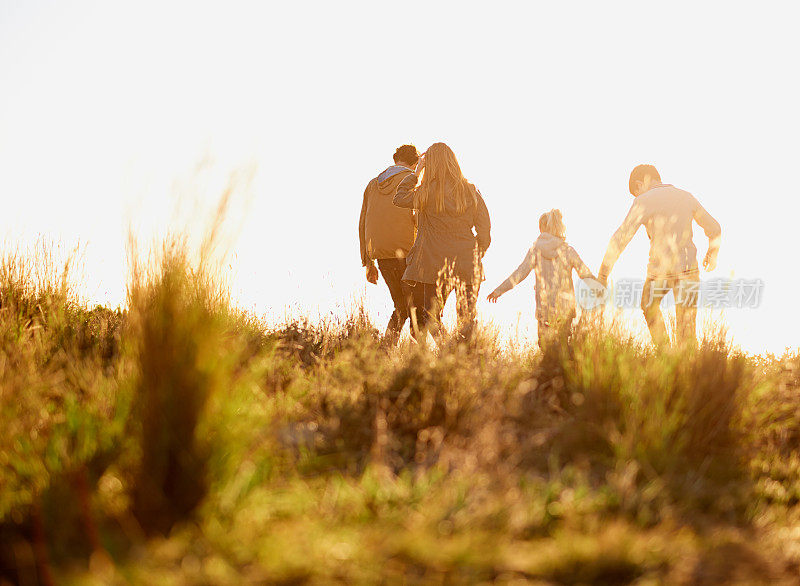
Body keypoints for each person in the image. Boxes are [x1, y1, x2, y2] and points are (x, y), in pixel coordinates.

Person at [597, 164, 722, 347]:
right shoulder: (686, 196)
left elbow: (621, 238)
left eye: (635, 192)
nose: (636, 197)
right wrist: (712, 252)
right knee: (687, 330)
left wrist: (603, 274)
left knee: (648, 305)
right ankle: (690, 368)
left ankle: (665, 354)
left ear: (640, 184)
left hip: (659, 271)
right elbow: (715, 228)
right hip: (689, 269)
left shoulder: (643, 200)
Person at [393, 142, 491, 343]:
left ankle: (448, 352)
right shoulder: (471, 190)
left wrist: (416, 172)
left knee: (429, 316)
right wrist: (475, 254)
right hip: (467, 263)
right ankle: (465, 360)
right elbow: (485, 230)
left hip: (436, 265)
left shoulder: (427, 193)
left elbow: (399, 198)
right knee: (467, 319)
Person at [487, 209, 596, 349]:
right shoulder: (568, 250)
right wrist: (599, 288)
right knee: (563, 348)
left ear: (541, 228)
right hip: (566, 309)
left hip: (544, 310)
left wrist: (499, 291)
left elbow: (519, 274)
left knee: (546, 347)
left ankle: (553, 368)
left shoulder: (536, 250)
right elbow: (585, 273)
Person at [358, 144, 420, 345]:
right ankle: (427, 356)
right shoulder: (411, 181)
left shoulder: (372, 185)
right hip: (409, 253)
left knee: (402, 307)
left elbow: (362, 223)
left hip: (382, 255)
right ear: (415, 162)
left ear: (396, 159)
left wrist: (368, 262)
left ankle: (385, 350)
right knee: (417, 307)